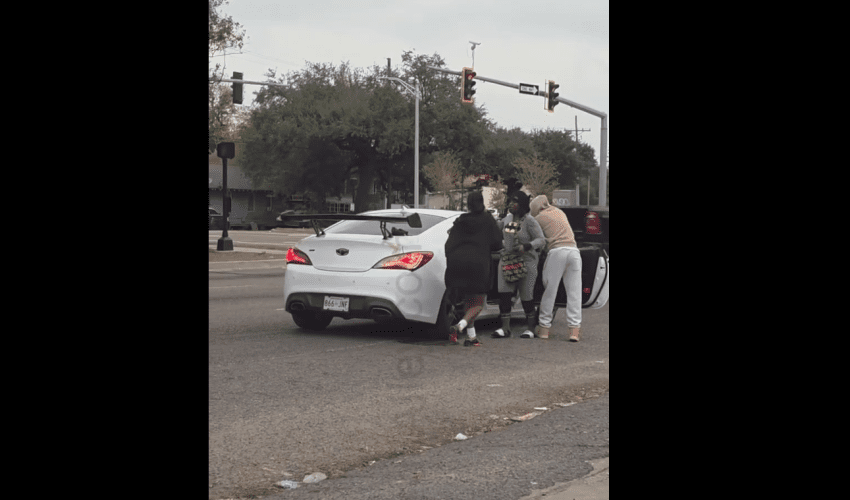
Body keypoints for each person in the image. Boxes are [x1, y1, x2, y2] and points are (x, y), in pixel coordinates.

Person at [444, 191, 503, 346]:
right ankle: (460, 325)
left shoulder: (460, 220)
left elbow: (448, 244)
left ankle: (472, 337)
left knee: (469, 300)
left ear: (468, 204)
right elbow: (498, 243)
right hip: (478, 264)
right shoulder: (487, 219)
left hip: (456, 263)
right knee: (478, 303)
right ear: (482, 202)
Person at [492, 191, 545, 339]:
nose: (510, 204)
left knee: (526, 295)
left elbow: (541, 240)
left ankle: (530, 328)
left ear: (521, 205)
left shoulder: (530, 221)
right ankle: (505, 328)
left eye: (514, 201)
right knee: (504, 294)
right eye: (509, 201)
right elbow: (497, 233)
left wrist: (526, 246)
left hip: (527, 261)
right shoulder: (506, 219)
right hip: (508, 259)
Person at [530, 194, 582, 341]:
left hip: (557, 252)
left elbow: (536, 239)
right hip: (574, 252)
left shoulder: (539, 218)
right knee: (574, 293)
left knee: (549, 291)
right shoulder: (559, 212)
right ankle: (574, 332)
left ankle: (544, 329)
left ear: (537, 208)